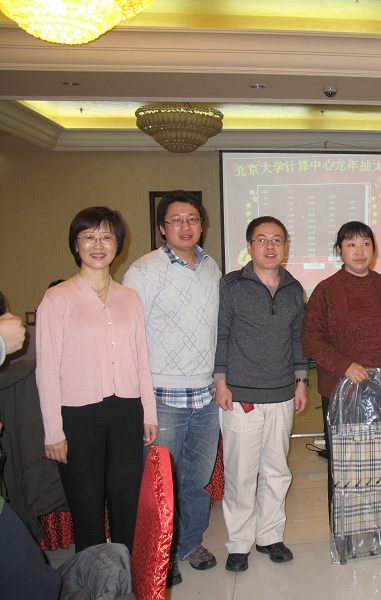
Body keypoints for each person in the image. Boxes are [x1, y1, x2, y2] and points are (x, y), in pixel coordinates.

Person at [36, 207, 158, 553]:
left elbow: (141, 360)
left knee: (126, 502)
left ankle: (123, 575)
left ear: (118, 244)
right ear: (76, 245)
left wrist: (149, 413)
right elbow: (46, 371)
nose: (98, 245)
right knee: (87, 506)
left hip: (126, 411)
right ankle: (92, 577)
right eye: (89, 237)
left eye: (106, 237)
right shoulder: (57, 299)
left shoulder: (129, 298)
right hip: (79, 415)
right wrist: (53, 431)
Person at [123, 191, 222, 586]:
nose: (185, 226)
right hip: (162, 395)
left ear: (202, 225)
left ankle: (189, 543)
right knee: (159, 482)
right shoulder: (143, 270)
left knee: (196, 478)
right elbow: (131, 337)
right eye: (176, 220)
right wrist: (142, 400)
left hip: (206, 394)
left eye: (192, 219)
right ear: (162, 228)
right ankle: (159, 553)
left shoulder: (212, 267)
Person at [214, 216, 308, 572]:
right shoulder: (232, 285)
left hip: (282, 393)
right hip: (241, 396)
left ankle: (270, 535)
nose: (270, 246)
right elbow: (221, 335)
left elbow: (297, 338)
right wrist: (220, 382)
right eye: (262, 239)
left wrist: (301, 380)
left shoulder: (293, 288)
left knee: (276, 471)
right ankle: (239, 542)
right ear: (249, 246)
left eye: (277, 240)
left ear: (285, 246)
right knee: (241, 473)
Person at [301, 221, 381, 512]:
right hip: (341, 390)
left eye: (365, 244)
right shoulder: (326, 290)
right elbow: (311, 339)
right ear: (339, 251)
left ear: (374, 250)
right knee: (344, 462)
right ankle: (345, 526)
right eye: (351, 245)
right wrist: (344, 365)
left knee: (378, 459)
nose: (359, 251)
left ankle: (377, 523)